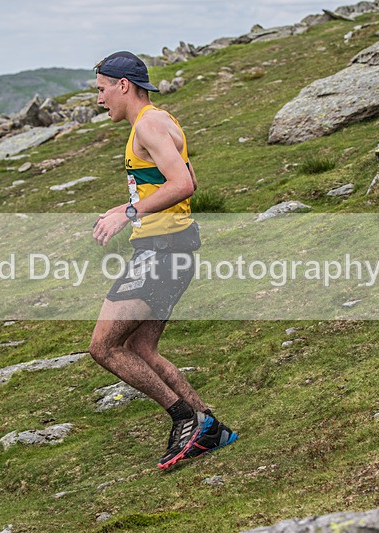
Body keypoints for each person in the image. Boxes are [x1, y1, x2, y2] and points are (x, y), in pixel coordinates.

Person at [89, 51, 238, 470]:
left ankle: (185, 420)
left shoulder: (149, 124)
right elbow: (179, 180)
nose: (99, 100)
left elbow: (185, 184)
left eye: (102, 90)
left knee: (103, 346)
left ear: (123, 85)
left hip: (162, 252)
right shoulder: (158, 120)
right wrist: (129, 205)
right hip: (168, 248)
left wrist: (128, 214)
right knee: (140, 347)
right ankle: (210, 426)